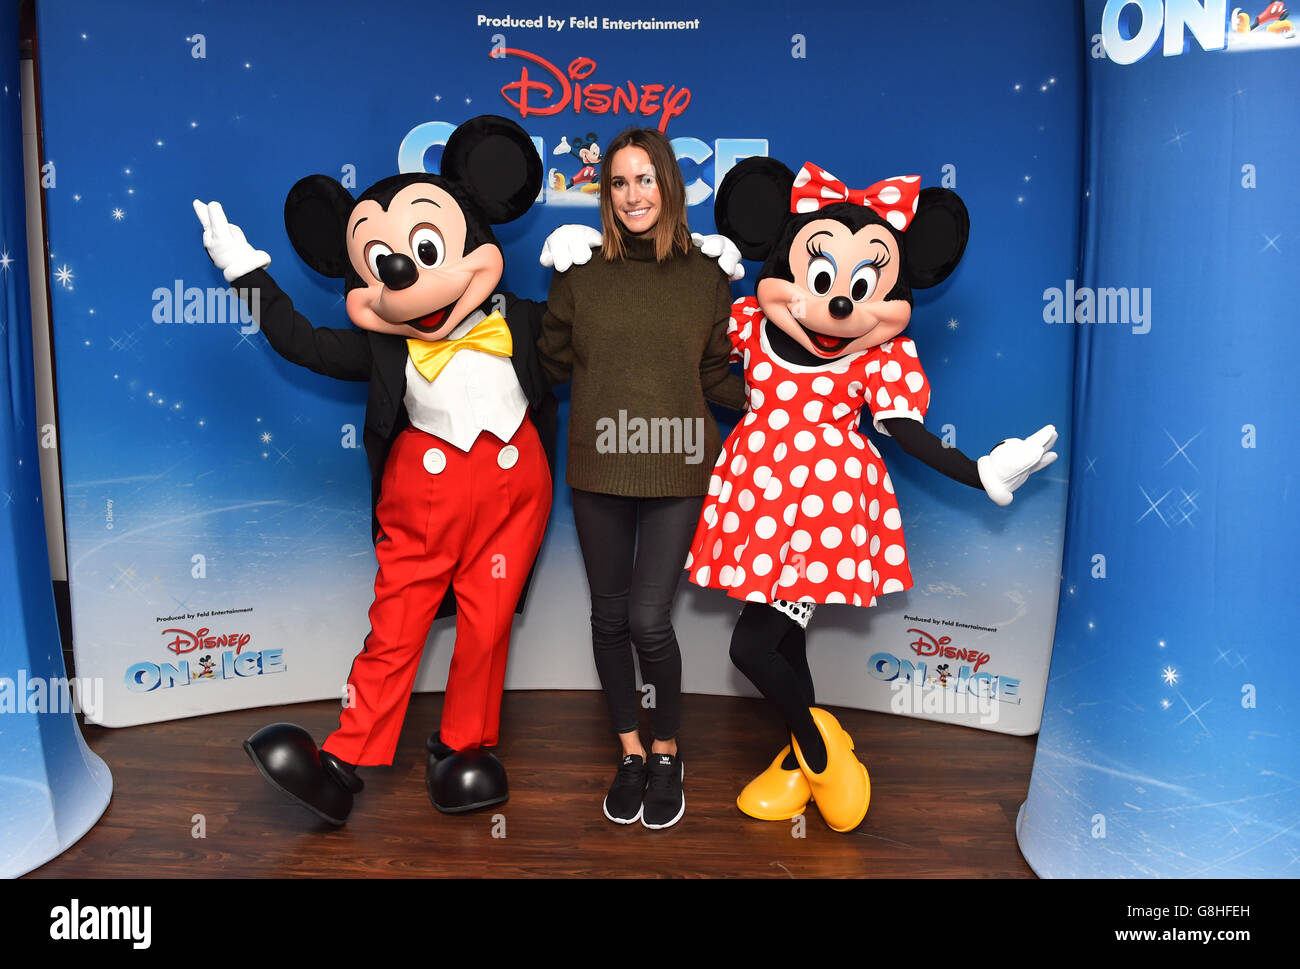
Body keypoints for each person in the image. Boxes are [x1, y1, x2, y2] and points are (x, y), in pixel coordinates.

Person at [536, 127, 745, 828]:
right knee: (607, 615)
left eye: (646, 179)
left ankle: (666, 749)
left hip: (680, 465)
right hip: (598, 465)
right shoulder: (581, 271)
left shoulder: (705, 275)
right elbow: (549, 361)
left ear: (670, 185)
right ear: (606, 192)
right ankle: (628, 749)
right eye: (619, 182)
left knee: (648, 620)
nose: (633, 194)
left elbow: (716, 370)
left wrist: (795, 404)